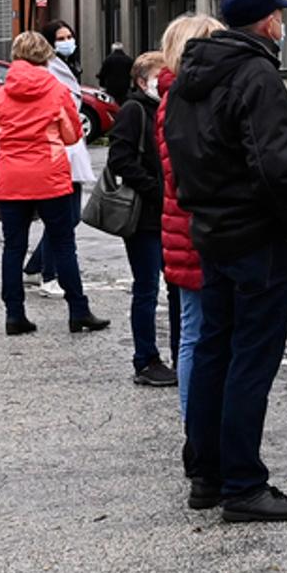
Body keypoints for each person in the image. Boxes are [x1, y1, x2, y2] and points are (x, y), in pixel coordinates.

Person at [166, 0, 287, 522]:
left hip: (212, 229)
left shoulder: (190, 77)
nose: (282, 23)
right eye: (279, 15)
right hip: (259, 237)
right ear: (267, 23)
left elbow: (181, 151)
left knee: (214, 349)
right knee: (250, 359)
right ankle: (243, 483)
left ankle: (206, 473)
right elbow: (276, 165)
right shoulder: (257, 76)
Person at [0, 31, 107, 337]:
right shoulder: (56, 91)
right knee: (63, 244)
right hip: (49, 174)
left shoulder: (1, 94)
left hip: (11, 177)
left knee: (13, 247)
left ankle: (14, 314)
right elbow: (72, 134)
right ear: (45, 56)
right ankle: (78, 310)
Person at [156, 14, 222, 430]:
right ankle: (196, 429)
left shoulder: (171, 97)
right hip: (195, 230)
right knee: (197, 334)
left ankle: (196, 427)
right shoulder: (185, 103)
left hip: (181, 229)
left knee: (194, 332)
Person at [110, 50, 177, 386]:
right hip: (144, 216)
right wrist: (156, 188)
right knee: (147, 287)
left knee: (178, 287)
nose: (164, 81)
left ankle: (181, 355)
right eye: (158, 75)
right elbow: (120, 159)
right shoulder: (134, 110)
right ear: (141, 81)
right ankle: (145, 359)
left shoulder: (166, 109)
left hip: (168, 214)